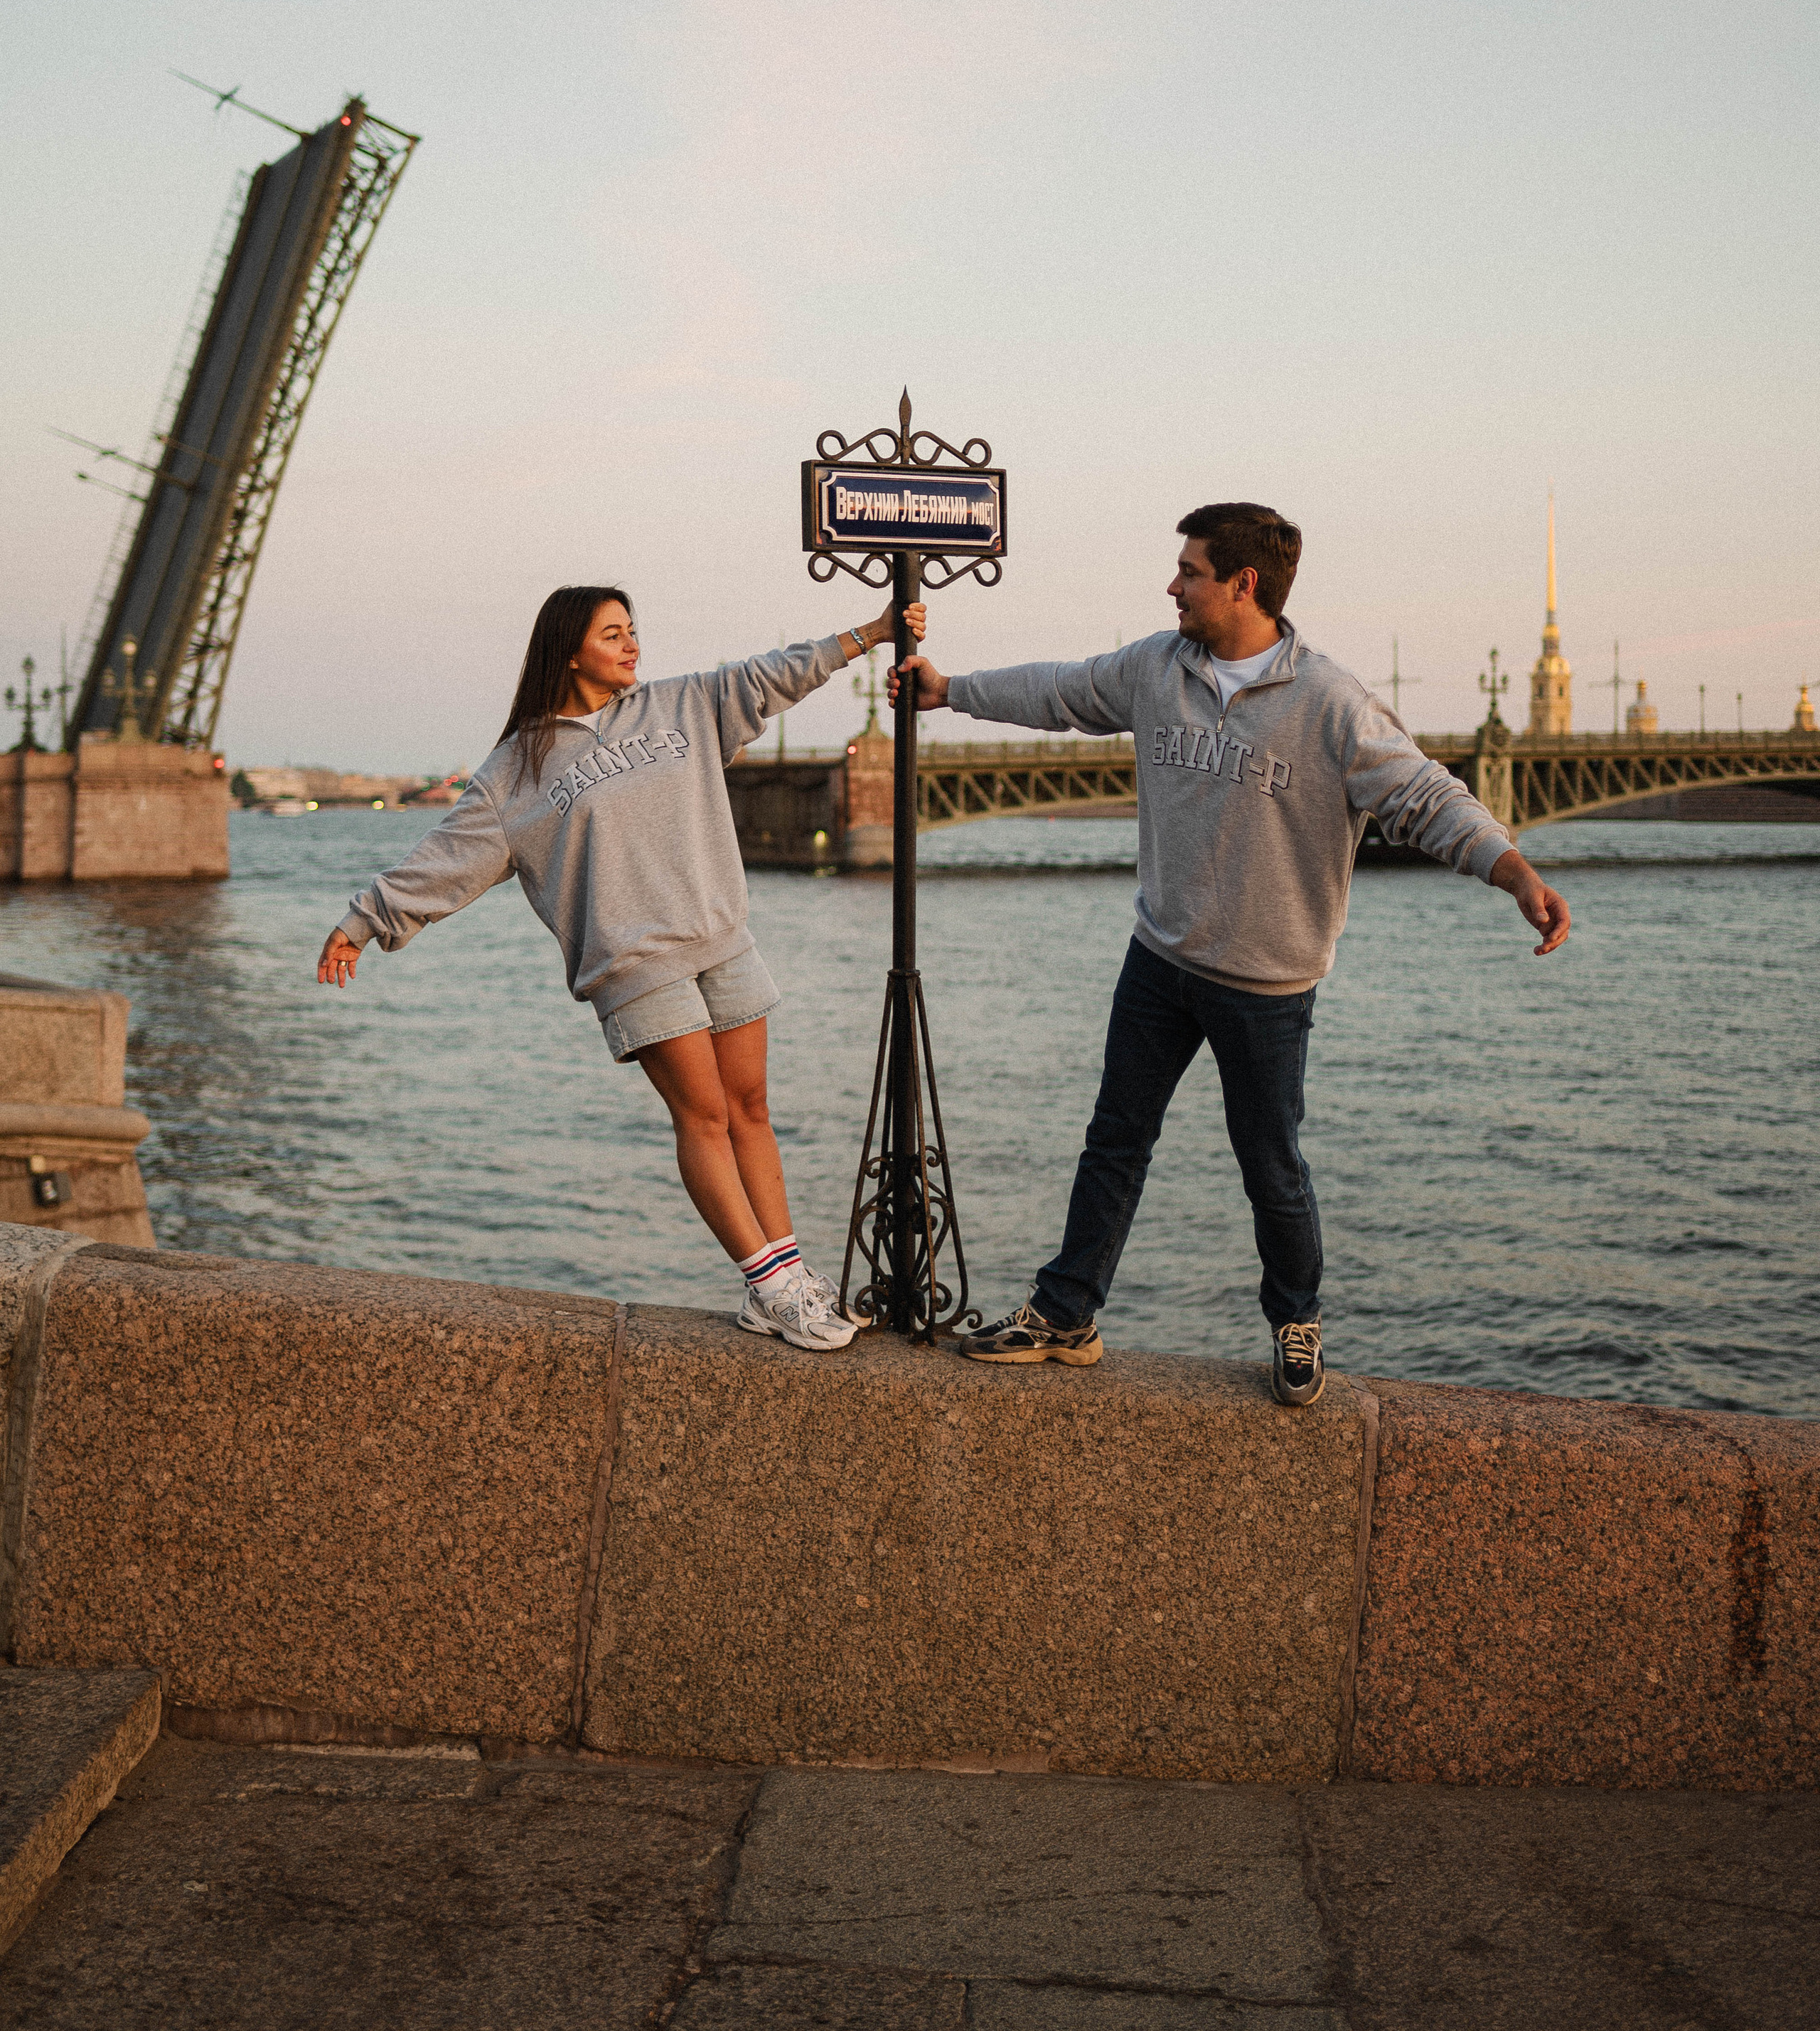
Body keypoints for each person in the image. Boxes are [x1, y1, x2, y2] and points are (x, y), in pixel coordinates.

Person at [890, 504, 1568, 1404]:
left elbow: (1427, 797)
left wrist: (1513, 871)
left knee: (1270, 1166)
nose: (1173, 585)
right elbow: (1060, 690)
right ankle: (1067, 1315)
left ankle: (1296, 1322)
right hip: (1160, 957)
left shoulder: (1330, 703)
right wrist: (950, 690)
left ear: (1243, 584)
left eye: (1190, 571)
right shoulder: (1154, 668)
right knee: (1114, 1142)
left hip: (1266, 984)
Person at [316, 585, 923, 1354]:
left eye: (634, 630)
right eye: (613, 634)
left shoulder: (682, 706)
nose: (633, 645)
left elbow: (772, 673)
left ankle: (787, 1277)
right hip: (635, 965)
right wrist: (364, 921)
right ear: (571, 650)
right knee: (702, 1116)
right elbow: (448, 858)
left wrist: (869, 633)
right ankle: (771, 1284)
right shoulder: (518, 770)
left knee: (752, 1108)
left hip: (723, 939)